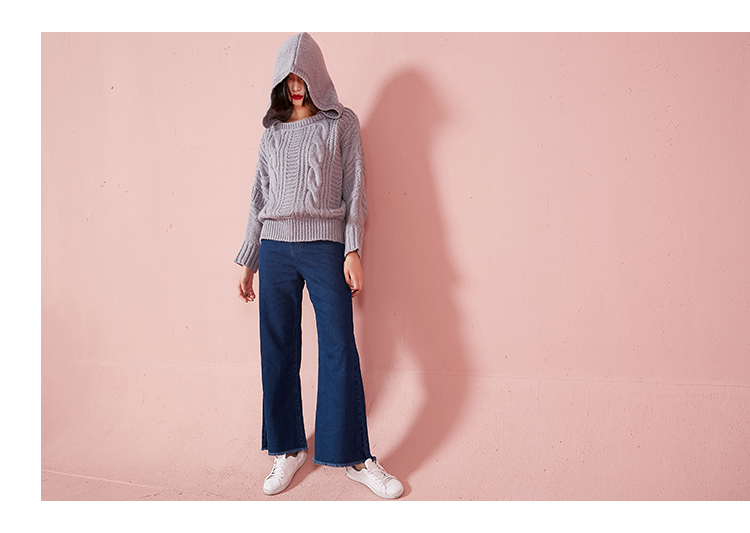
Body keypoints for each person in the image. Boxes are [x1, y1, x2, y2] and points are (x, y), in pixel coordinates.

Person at [235, 32, 403, 499]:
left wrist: (352, 249)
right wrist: (249, 258)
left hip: (324, 246)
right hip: (274, 247)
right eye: (287, 79)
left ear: (316, 75)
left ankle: (355, 456)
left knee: (338, 347)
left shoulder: (341, 123)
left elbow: (355, 190)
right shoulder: (272, 132)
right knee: (277, 348)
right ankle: (287, 449)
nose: (295, 86)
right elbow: (258, 197)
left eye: (302, 76)